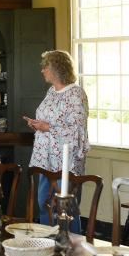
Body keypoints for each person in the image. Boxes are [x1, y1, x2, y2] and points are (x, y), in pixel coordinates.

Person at [24, 50, 90, 233]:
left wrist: (49, 128)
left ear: (57, 69)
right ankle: (48, 242)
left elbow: (77, 130)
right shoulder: (51, 92)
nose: (42, 70)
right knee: (44, 201)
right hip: (45, 157)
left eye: (45, 67)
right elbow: (49, 120)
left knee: (66, 205)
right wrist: (37, 125)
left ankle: (72, 245)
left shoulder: (76, 94)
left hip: (65, 160)